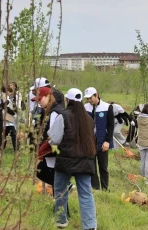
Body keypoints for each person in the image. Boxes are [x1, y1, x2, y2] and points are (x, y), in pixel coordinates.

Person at [48, 88, 97, 229]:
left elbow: (54, 139)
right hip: (86, 162)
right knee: (86, 194)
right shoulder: (89, 119)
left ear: (67, 100)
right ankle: (90, 226)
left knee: (60, 191)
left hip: (65, 161)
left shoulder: (63, 116)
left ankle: (61, 220)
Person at [32, 87, 65, 189]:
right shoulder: (52, 111)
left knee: (44, 172)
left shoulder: (55, 112)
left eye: (40, 99)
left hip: (53, 150)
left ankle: (64, 188)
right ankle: (62, 188)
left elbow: (53, 135)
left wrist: (44, 149)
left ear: (48, 97)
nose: (39, 103)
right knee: (44, 172)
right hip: (53, 149)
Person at [84, 87, 114, 191]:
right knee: (92, 167)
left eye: (90, 98)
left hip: (102, 142)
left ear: (96, 95)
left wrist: (107, 141)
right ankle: (95, 188)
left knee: (103, 167)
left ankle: (105, 188)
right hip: (90, 142)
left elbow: (111, 126)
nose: (89, 100)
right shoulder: (85, 108)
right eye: (87, 98)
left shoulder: (107, 107)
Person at [2, 86, 17, 152]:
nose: (10, 94)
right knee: (11, 134)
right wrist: (13, 113)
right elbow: (6, 108)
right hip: (7, 118)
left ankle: (2, 149)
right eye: (10, 92)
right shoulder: (5, 98)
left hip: (8, 119)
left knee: (5, 135)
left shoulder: (6, 97)